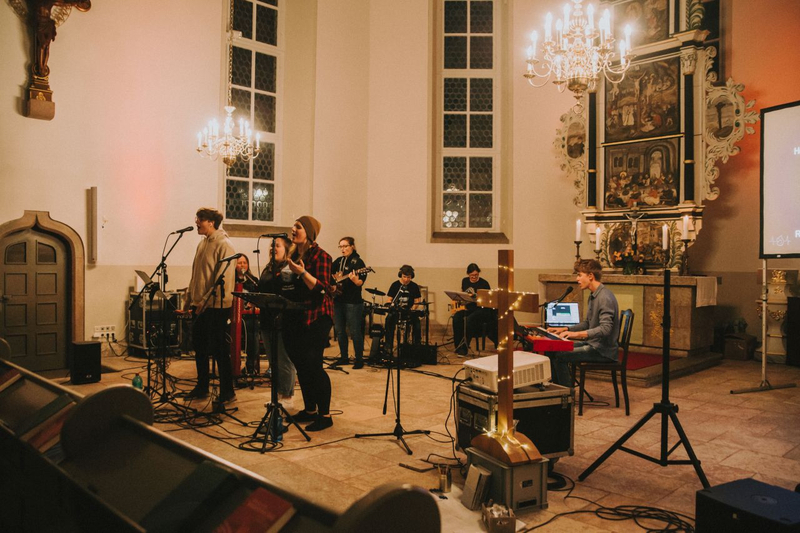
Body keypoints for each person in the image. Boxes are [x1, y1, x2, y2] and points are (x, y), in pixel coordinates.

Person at [281, 216, 335, 432]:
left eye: (298, 226)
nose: (293, 229)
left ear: (309, 233)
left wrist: (302, 272)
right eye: (293, 225)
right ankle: (310, 409)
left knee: (314, 365)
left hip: (317, 316)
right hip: (296, 316)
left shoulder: (323, 256)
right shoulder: (293, 254)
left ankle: (325, 415)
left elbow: (322, 288)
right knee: (301, 365)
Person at [183, 207, 237, 404]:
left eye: (200, 219)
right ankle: (202, 386)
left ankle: (227, 391)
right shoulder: (202, 244)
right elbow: (195, 275)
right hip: (200, 305)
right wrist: (189, 301)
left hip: (216, 306)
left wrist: (204, 302)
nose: (197, 222)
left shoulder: (224, 245)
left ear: (211, 222)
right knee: (200, 348)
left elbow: (220, 280)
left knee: (219, 349)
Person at [545, 259, 620, 388]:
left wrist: (576, 334)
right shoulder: (594, 295)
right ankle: (557, 392)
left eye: (579, 275)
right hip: (593, 343)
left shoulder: (604, 297)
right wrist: (565, 329)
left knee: (559, 355)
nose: (577, 279)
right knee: (551, 349)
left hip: (602, 350)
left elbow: (606, 329)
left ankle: (567, 397)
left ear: (590, 276)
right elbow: (587, 323)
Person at [257, 236, 298, 405]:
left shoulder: (288, 269)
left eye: (277, 245)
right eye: (271, 245)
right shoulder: (268, 268)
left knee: (284, 361)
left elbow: (288, 294)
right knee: (273, 360)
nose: (273, 248)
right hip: (267, 319)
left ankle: (287, 397)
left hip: (283, 321)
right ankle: (277, 396)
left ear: (287, 250)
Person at [331, 237, 368, 369]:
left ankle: (359, 359)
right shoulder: (339, 261)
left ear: (352, 246)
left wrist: (354, 279)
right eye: (340, 246)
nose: (343, 249)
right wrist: (333, 280)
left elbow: (360, 283)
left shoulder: (358, 262)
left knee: (354, 331)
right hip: (338, 300)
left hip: (353, 302)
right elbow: (329, 274)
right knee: (340, 331)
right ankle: (344, 357)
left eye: (345, 246)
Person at [452, 263, 496, 356]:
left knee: (469, 320)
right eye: (472, 275)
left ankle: (464, 348)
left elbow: (489, 300)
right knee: (456, 317)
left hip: (482, 310)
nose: (474, 277)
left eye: (476, 275)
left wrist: (476, 298)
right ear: (468, 274)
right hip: (469, 308)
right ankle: (458, 346)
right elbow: (464, 295)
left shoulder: (484, 283)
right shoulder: (465, 281)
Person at [385, 265, 422, 353]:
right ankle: (388, 345)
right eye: (404, 277)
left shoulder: (414, 286)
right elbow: (389, 299)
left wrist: (413, 308)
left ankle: (416, 346)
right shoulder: (395, 285)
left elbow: (417, 300)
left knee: (417, 324)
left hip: (409, 311)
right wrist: (391, 306)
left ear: (411, 276)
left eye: (408, 277)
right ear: (400, 275)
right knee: (389, 319)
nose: (406, 279)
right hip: (396, 311)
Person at [235, 254, 260, 376]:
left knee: (253, 331)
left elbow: (258, 296)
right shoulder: (230, 279)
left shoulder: (253, 280)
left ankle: (250, 365)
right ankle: (233, 364)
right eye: (239, 263)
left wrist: (252, 303)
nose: (242, 265)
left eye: (245, 262)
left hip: (249, 316)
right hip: (234, 316)